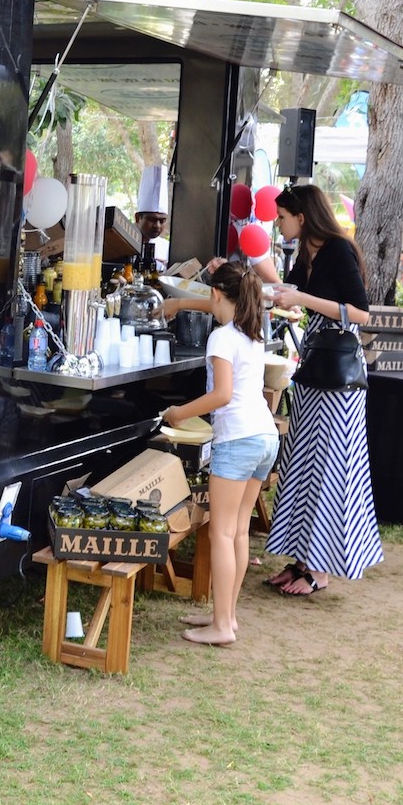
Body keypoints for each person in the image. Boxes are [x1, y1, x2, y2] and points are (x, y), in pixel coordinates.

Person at [264, 184, 382, 595]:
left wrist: (304, 299)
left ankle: (322, 569)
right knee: (303, 461)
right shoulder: (305, 253)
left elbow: (361, 313)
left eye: (282, 217)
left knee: (332, 465)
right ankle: (302, 560)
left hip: (340, 376)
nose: (278, 224)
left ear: (302, 216)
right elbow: (294, 294)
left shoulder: (337, 249)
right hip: (315, 366)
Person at [162, 262, 279, 646]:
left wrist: (179, 413)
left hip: (238, 440)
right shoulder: (251, 333)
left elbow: (222, 395)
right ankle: (225, 615)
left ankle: (223, 626)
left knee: (222, 532)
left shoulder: (221, 338)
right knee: (239, 530)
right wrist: (181, 304)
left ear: (216, 293)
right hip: (264, 436)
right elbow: (214, 305)